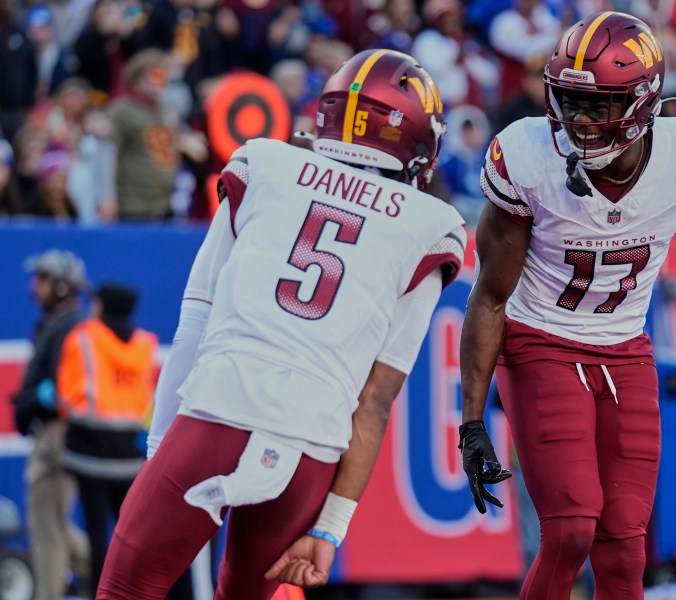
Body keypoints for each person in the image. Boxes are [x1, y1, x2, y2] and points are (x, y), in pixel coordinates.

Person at [457, 12, 676, 600]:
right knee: (571, 530)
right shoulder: (527, 157)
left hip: (626, 352)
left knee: (625, 549)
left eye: (595, 106)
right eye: (568, 101)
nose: (576, 121)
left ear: (643, 102)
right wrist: (472, 422)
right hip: (541, 343)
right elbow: (490, 296)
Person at [96, 48, 466, 598]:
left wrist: (162, 446)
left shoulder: (265, 163)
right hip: (311, 450)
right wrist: (331, 527)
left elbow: (196, 313)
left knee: (127, 590)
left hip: (220, 413)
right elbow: (377, 399)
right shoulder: (433, 226)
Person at [55, 283, 158, 596]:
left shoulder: (83, 338)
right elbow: (146, 400)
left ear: (101, 306)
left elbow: (66, 398)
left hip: (89, 455)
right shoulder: (144, 344)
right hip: (129, 456)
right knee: (130, 535)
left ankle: (100, 593)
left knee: (97, 534)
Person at [11, 249, 91, 600]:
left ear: (61, 286)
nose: (35, 286)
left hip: (57, 435)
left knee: (48, 531)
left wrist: (43, 399)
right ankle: (116, 572)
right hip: (52, 434)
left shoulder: (69, 327)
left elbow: (67, 390)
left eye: (42, 278)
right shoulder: (59, 324)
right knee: (55, 527)